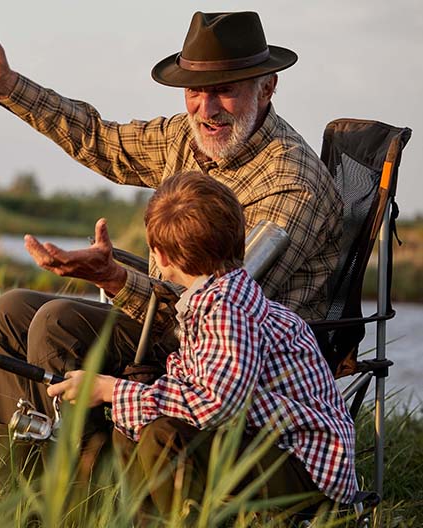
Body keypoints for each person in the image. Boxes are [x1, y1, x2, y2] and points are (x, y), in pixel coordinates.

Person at [0, 11, 343, 474]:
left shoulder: (291, 183)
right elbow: (98, 139)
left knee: (58, 322)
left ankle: (81, 500)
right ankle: (11, 491)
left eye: (224, 91)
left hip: (238, 359)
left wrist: (115, 277)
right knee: (10, 311)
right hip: (179, 320)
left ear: (266, 88)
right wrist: (9, 85)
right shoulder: (184, 137)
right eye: (195, 91)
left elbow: (220, 309)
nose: (206, 111)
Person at [47, 171, 357, 517]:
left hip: (308, 475)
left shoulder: (227, 310)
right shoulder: (212, 300)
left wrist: (110, 390)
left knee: (163, 435)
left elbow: (216, 404)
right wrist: (129, 401)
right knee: (136, 426)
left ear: (161, 257)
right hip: (270, 448)